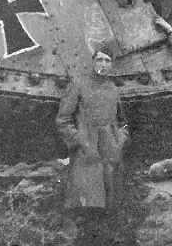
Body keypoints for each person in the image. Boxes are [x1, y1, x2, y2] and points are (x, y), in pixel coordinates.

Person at [55, 46, 129, 238]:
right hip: (87, 151)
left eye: (107, 61)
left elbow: (122, 121)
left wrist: (120, 139)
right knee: (85, 202)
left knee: (109, 201)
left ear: (111, 65)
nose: (103, 65)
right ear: (93, 61)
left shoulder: (112, 89)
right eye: (100, 60)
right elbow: (63, 119)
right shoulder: (79, 85)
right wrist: (79, 140)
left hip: (110, 150)